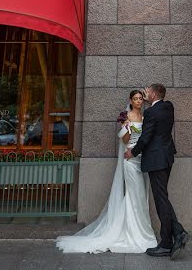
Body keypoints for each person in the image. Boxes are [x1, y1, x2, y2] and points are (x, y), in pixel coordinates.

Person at [55, 90, 157, 254]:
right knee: (134, 194)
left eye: (140, 99)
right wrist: (127, 128)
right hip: (130, 159)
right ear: (130, 101)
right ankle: (133, 232)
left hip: (143, 159)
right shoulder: (128, 117)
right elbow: (124, 141)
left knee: (142, 194)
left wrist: (148, 101)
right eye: (135, 99)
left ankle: (141, 229)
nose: (138, 101)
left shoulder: (146, 117)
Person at [124, 83, 189, 259]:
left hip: (156, 160)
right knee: (163, 198)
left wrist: (133, 151)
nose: (145, 94)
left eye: (148, 92)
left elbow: (146, 137)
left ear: (152, 94)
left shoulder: (151, 112)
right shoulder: (169, 107)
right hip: (167, 158)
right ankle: (173, 237)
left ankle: (169, 240)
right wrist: (150, 100)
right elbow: (159, 108)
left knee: (161, 199)